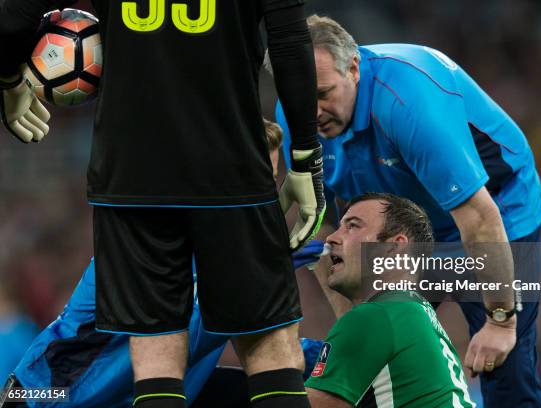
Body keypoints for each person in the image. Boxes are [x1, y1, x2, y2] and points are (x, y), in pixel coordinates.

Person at [1, 1, 326, 406]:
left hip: (132, 182)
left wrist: (9, 73)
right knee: (274, 357)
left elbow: (14, 17)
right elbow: (291, 39)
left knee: (156, 361)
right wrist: (306, 157)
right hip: (232, 176)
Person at [274, 15, 541, 407]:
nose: (310, 112)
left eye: (322, 94)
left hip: (496, 213)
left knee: (505, 366)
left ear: (353, 69)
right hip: (404, 225)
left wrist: (501, 320)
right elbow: (328, 231)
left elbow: (478, 216)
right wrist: (356, 327)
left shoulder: (410, 102)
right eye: (298, 98)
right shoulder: (296, 115)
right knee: (370, 359)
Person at [306, 192, 475, 407]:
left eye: (353, 226)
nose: (331, 238)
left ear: (395, 247)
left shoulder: (377, 315)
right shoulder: (412, 314)